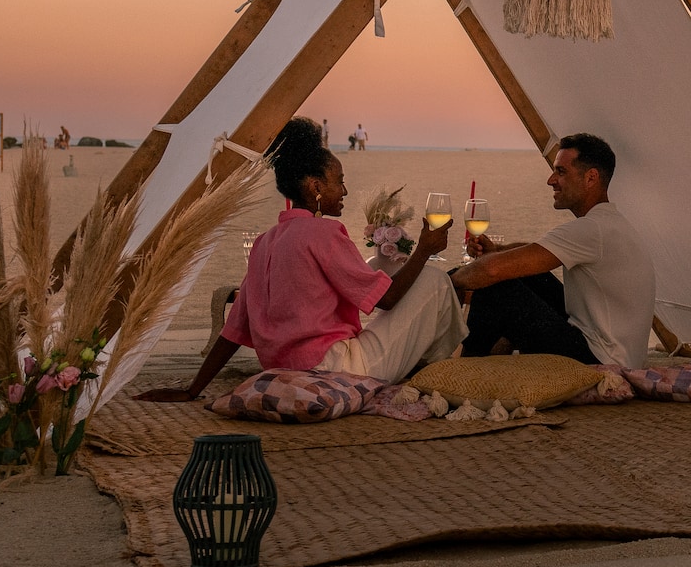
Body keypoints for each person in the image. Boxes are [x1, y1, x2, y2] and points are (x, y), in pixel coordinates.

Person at [136, 119, 464, 402]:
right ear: (316, 186)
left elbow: (234, 329)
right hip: (338, 369)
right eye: (340, 181)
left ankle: (431, 365)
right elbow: (387, 300)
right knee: (434, 280)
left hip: (282, 370)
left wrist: (193, 389)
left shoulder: (266, 242)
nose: (346, 191)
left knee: (397, 276)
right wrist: (424, 249)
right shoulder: (323, 233)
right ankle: (441, 370)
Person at [448, 133, 654, 368]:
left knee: (496, 285)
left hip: (601, 361)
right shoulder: (608, 224)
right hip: (620, 354)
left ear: (591, 178)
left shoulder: (591, 229)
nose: (551, 180)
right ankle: (488, 358)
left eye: (561, 172)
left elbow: (493, 271)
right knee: (527, 275)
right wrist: (499, 250)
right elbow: (535, 253)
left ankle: (463, 370)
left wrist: (448, 282)